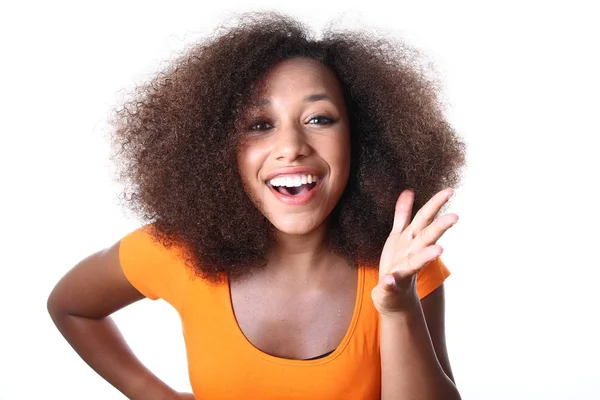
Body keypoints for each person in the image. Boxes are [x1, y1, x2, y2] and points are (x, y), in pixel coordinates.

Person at [47, 11, 466, 400]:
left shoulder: (402, 262)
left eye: (319, 119)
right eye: (260, 125)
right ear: (218, 147)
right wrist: (157, 395)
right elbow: (71, 307)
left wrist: (397, 309)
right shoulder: (177, 249)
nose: (291, 148)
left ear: (361, 139)